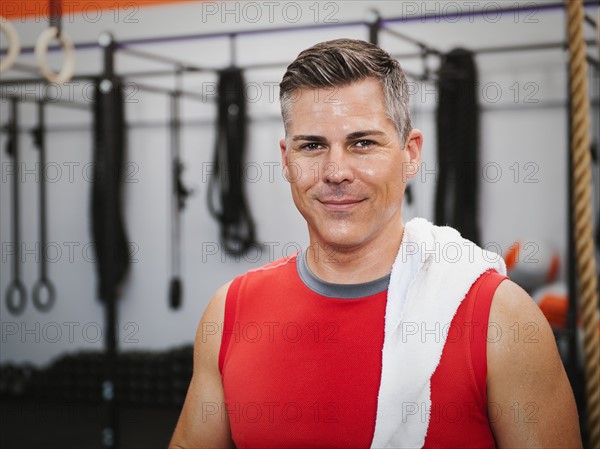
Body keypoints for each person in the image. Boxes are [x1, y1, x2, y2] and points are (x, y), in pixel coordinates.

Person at [170, 38, 581, 448]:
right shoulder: (231, 311)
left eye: (362, 143)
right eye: (312, 146)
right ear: (285, 159)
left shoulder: (501, 319)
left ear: (410, 154)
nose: (336, 171)